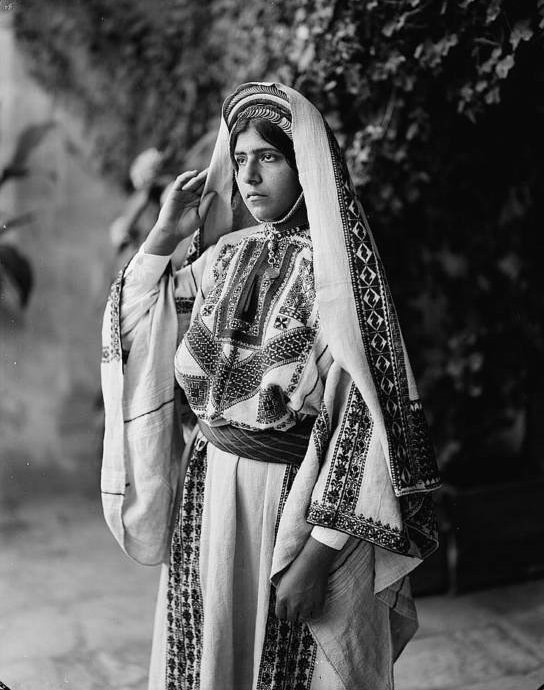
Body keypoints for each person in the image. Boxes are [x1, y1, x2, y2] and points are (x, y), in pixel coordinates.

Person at [101, 82, 441, 690]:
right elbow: (138, 328)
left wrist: (317, 556)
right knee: (209, 655)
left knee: (283, 661)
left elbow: (366, 421)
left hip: (291, 506)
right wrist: (161, 237)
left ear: (305, 164)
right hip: (208, 499)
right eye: (239, 160)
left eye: (270, 157)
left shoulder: (340, 279)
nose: (250, 176)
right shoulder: (224, 257)